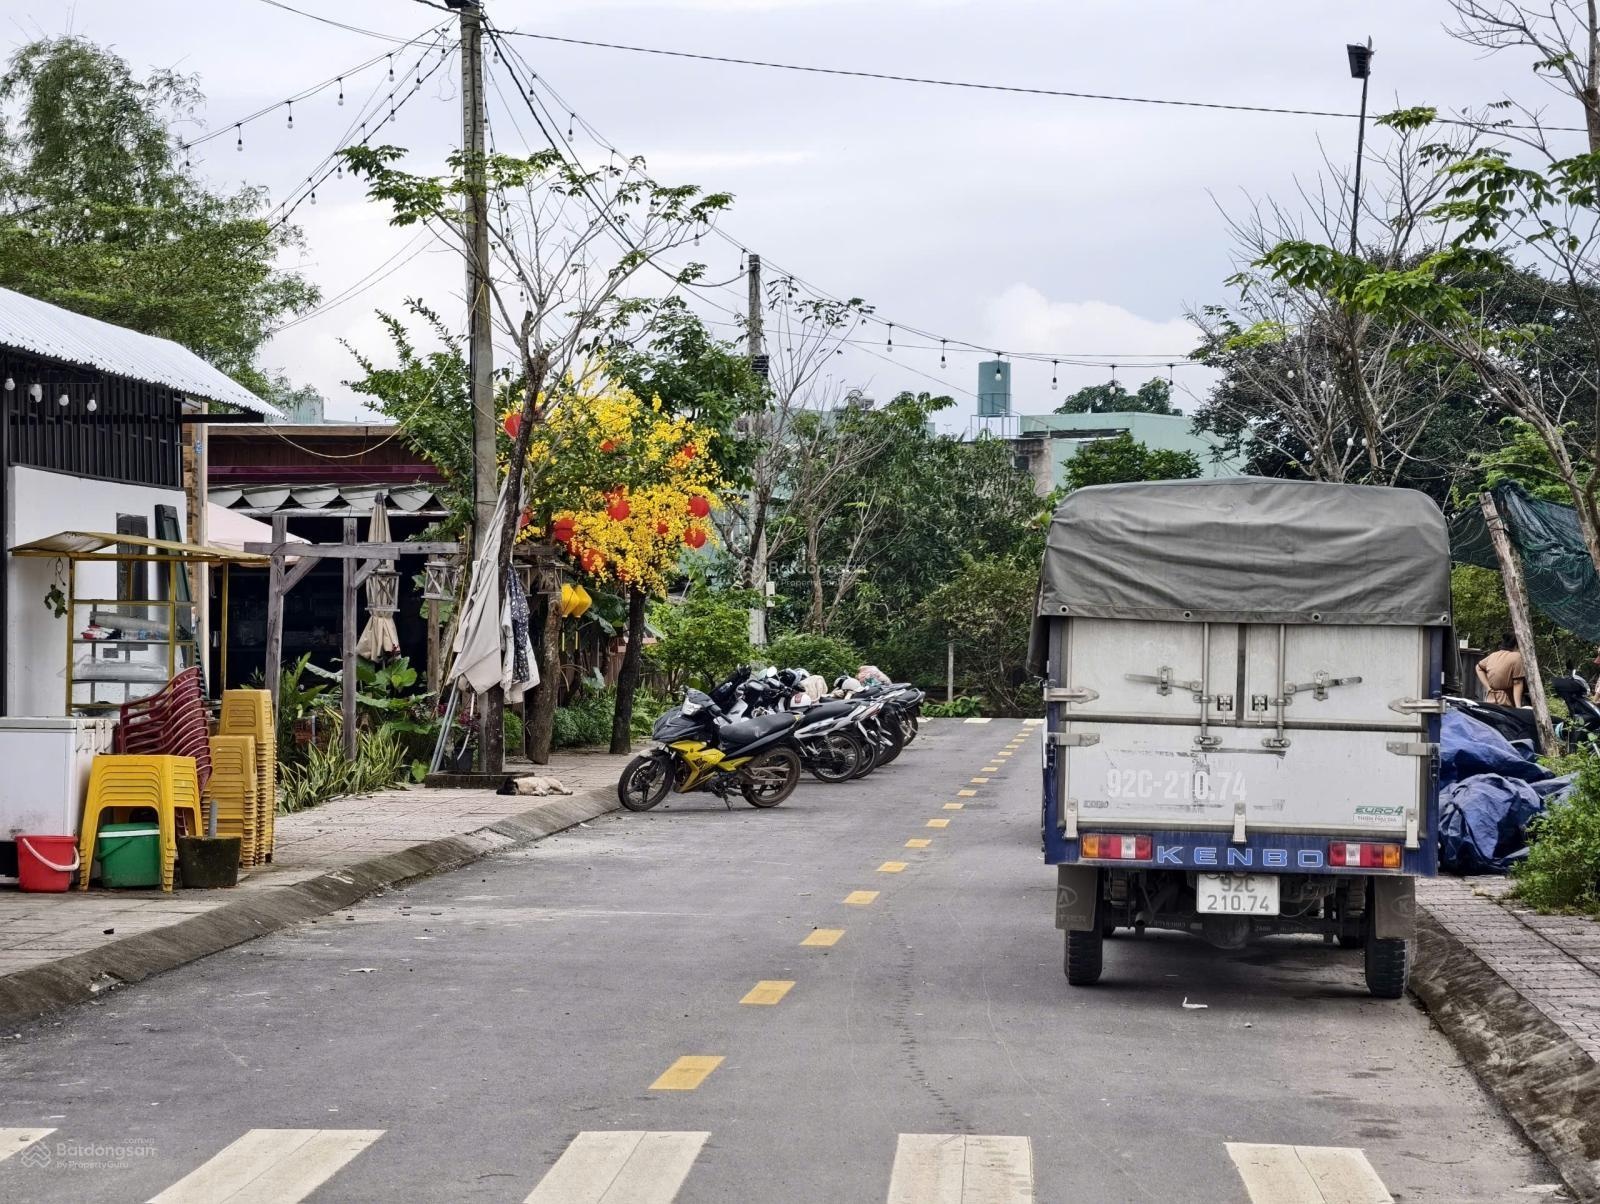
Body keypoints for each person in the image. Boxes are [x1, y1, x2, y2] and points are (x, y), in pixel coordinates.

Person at [1477, 633, 1526, 707]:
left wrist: (1488, 687)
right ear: (1516, 646)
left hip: (1491, 699)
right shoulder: (1517, 657)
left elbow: (1478, 667)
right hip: (1507, 701)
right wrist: (1518, 707)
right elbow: (1517, 683)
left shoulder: (1493, 655)